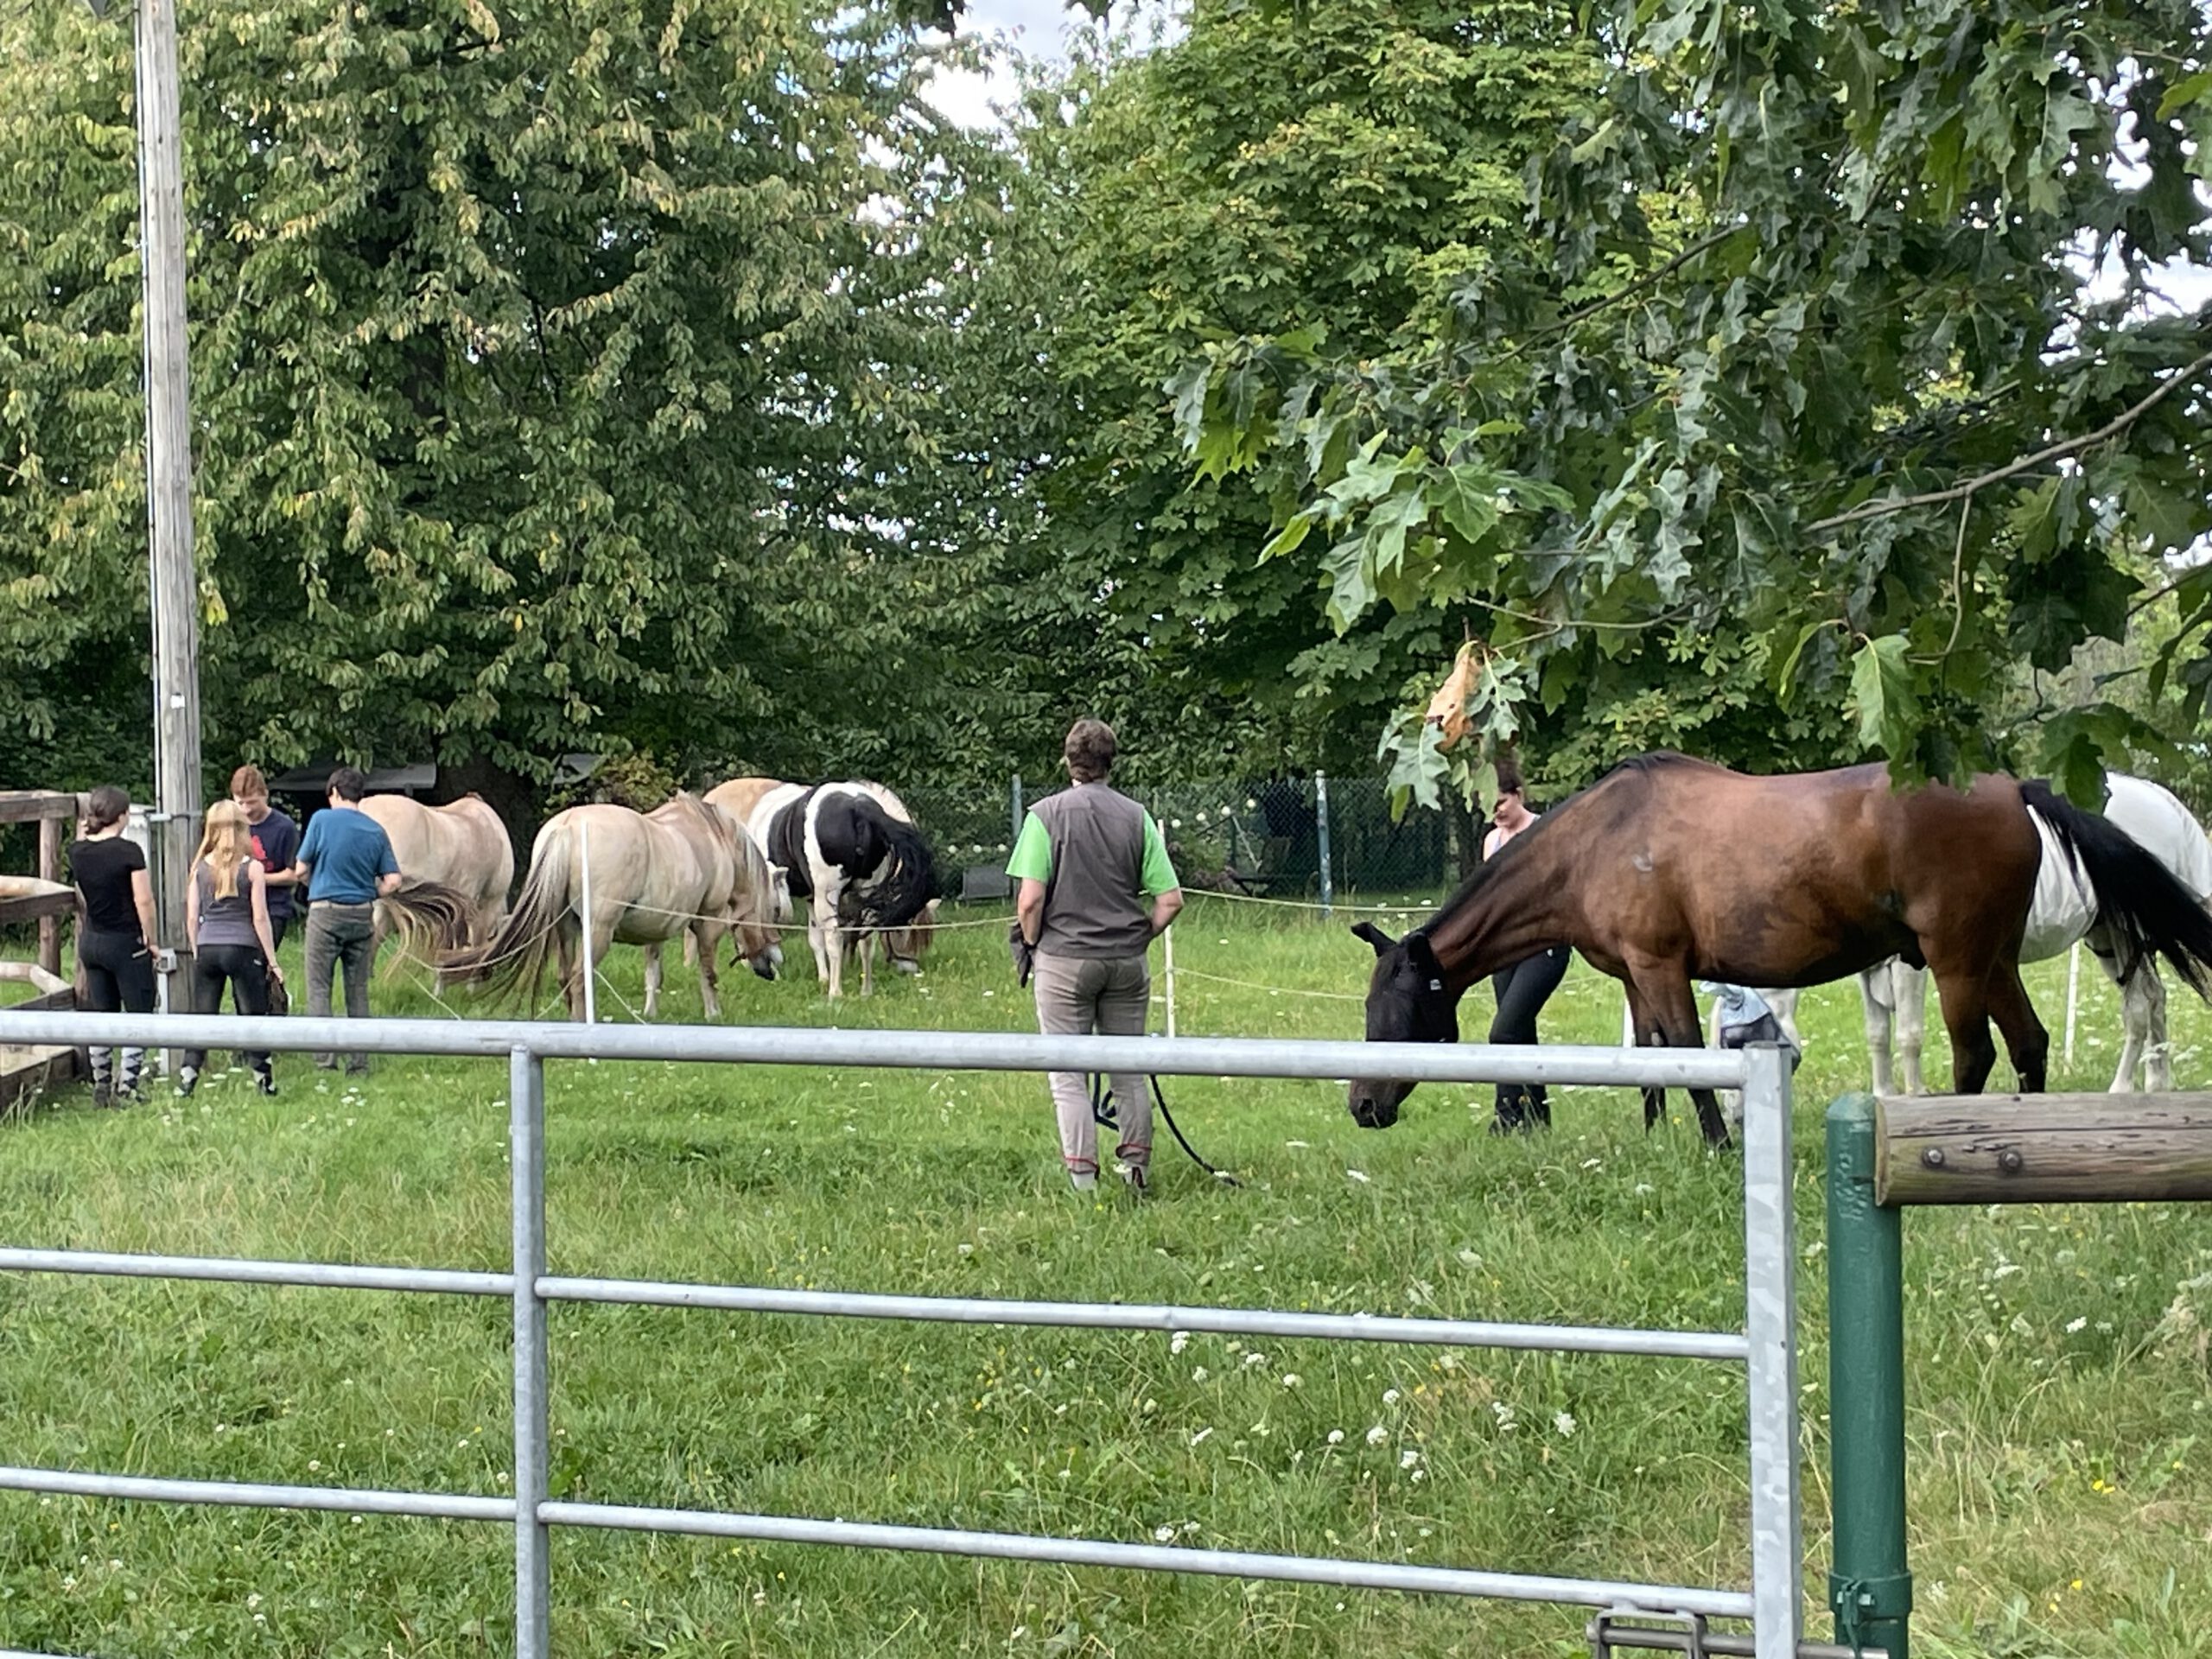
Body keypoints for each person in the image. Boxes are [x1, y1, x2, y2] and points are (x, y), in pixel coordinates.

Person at [1007, 719, 1183, 1194]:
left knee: (1068, 1074)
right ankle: (1138, 1174)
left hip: (1063, 960)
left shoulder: (1044, 816)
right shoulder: (1137, 817)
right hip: (1127, 963)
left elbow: (1029, 902)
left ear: (1069, 762)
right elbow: (1170, 901)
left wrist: (1032, 942)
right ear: (1112, 763)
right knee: (1128, 1070)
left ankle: (1084, 1179)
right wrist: (1140, 936)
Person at [290, 766, 401, 1074]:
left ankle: (325, 1061)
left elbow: (300, 869)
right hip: (362, 915)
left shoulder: (321, 820)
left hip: (325, 913)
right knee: (357, 989)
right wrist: (371, 891)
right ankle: (359, 1061)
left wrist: (316, 886)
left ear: (335, 792)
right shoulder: (375, 830)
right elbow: (393, 880)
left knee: (319, 987)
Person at [1483, 753, 1570, 1132]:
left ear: (1518, 795)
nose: (1496, 812)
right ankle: (1537, 1116)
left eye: (1500, 803)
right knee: (1521, 1028)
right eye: (1489, 806)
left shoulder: (1545, 831)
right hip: (1505, 949)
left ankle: (1506, 1115)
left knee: (1503, 1031)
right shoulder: (1491, 841)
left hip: (1543, 946)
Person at [179, 800, 285, 1098]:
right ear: (243, 829)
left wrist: (197, 948)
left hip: (208, 946)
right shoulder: (252, 869)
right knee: (253, 1014)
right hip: (242, 947)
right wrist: (272, 961)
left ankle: (187, 1079)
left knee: (202, 1015)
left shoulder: (199, 868)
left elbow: (191, 915)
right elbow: (260, 917)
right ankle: (264, 1081)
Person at [67, 785, 162, 1106]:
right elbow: (144, 900)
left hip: (92, 939)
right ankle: (129, 1084)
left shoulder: (77, 851)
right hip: (124, 940)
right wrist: (150, 937)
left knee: (102, 1012)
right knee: (139, 1011)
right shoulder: (128, 852)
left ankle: (101, 1082)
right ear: (122, 815)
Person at [230, 765, 302, 950]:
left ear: (265, 795)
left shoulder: (285, 827)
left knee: (261, 967)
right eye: (240, 803)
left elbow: (293, 875)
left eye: (252, 802)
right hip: (237, 909)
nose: (246, 810)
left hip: (273, 908)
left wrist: (257, 879)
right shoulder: (230, 825)